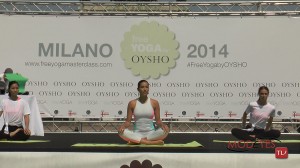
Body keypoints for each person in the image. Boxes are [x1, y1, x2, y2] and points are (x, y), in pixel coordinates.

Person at [118, 80, 169, 145]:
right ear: (138, 89)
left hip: (151, 135)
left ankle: (137, 141)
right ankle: (150, 143)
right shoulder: (132, 103)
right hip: (137, 134)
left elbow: (158, 121)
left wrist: (163, 125)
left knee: (165, 131)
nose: (145, 89)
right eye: (142, 87)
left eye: (146, 87)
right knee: (121, 132)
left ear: (148, 89)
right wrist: (123, 126)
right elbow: (128, 122)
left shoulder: (154, 103)